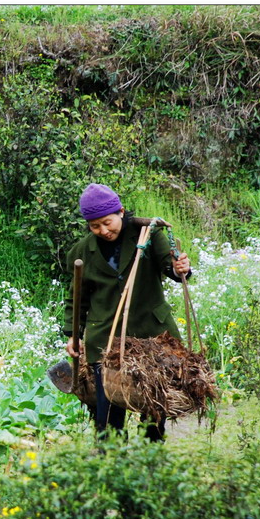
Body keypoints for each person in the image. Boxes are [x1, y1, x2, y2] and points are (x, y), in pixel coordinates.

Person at [63, 183, 191, 441]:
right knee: (108, 410)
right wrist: (72, 334)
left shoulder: (148, 235)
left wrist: (181, 269)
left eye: (107, 222)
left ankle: (150, 460)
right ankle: (110, 463)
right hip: (105, 338)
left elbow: (170, 268)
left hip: (152, 334)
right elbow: (77, 299)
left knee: (153, 407)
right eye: (95, 226)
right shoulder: (81, 252)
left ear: (120, 211)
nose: (103, 230)